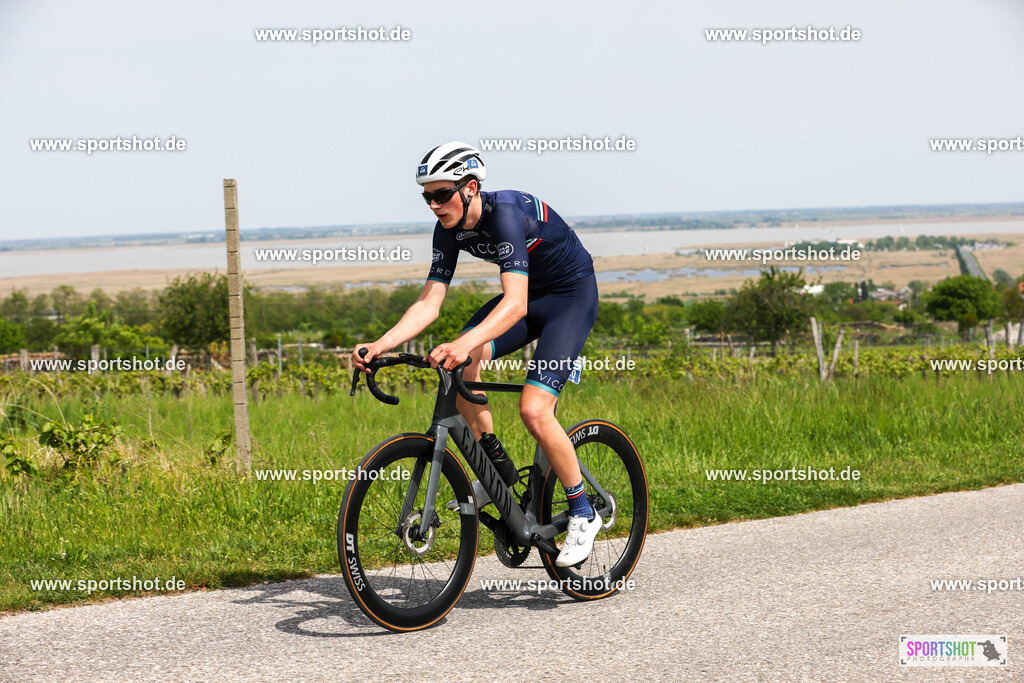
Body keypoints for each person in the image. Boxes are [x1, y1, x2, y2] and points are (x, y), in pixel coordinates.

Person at [352, 141, 600, 568]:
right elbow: (429, 303)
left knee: (535, 411)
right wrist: (380, 344)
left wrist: (466, 341)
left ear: (470, 187)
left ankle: (583, 511)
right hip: (526, 298)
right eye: (426, 196)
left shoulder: (503, 214)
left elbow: (515, 303)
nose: (433, 204)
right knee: (461, 363)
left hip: (569, 298)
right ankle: (499, 473)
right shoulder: (447, 229)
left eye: (441, 194)